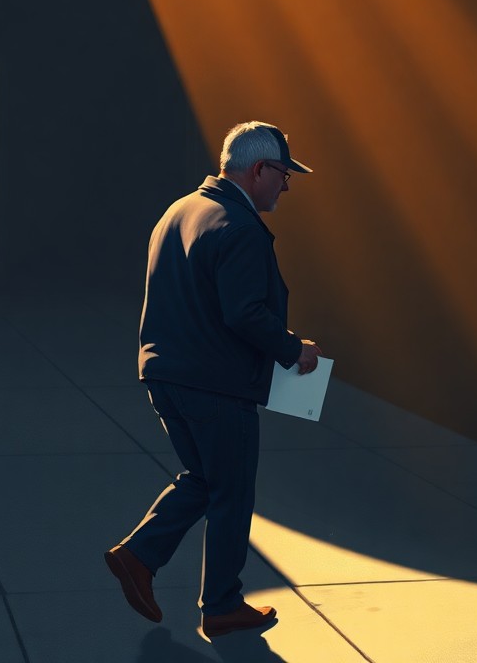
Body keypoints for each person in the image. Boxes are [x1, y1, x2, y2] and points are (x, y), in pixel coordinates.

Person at [105, 121, 323, 639]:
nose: (286, 185)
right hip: (216, 386)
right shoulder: (241, 227)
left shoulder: (179, 211)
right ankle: (221, 606)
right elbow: (244, 313)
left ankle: (137, 558)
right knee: (232, 493)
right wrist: (295, 350)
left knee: (204, 480)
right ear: (258, 169)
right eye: (284, 174)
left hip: (165, 376)